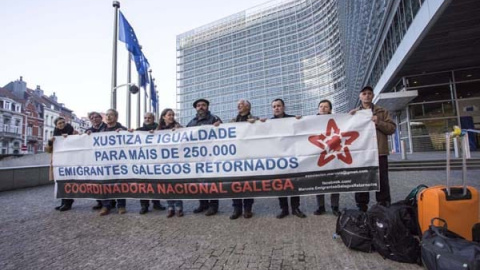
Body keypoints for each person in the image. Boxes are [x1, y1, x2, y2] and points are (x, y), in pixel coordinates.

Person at [349, 86, 396, 212]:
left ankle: (383, 205)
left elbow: (392, 129)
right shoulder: (354, 113)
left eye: (369, 93)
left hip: (379, 152)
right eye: (364, 94)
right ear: (360, 96)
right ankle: (361, 206)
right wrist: (348, 118)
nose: (367, 96)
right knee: (362, 179)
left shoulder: (382, 112)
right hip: (361, 153)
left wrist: (379, 122)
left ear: (373, 95)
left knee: (382, 180)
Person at [268, 98, 306, 219]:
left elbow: (304, 130)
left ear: (284, 107)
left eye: (278, 106)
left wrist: (301, 121)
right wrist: (260, 123)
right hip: (278, 158)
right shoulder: (268, 122)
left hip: (292, 156)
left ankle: (295, 208)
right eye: (274, 106)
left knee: (294, 183)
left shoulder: (293, 119)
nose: (276, 108)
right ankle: (284, 209)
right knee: (281, 184)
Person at [187, 98, 222, 216]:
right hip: (197, 157)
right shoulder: (191, 122)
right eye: (198, 105)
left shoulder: (214, 119)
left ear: (207, 107)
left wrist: (219, 126)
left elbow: (224, 134)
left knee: (211, 181)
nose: (201, 107)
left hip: (211, 156)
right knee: (199, 181)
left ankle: (213, 206)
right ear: (196, 108)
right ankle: (203, 204)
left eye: (203, 105)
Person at [229, 99, 257, 220]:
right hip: (235, 157)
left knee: (248, 184)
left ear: (248, 107)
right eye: (238, 104)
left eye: (242, 104)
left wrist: (256, 123)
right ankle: (237, 208)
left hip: (249, 156)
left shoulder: (255, 119)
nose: (239, 106)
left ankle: (247, 209)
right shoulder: (232, 121)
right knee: (235, 183)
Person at [97, 109, 128, 216]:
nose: (108, 117)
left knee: (120, 183)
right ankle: (106, 206)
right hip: (105, 162)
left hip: (119, 162)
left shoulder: (122, 129)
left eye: (111, 115)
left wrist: (127, 133)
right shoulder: (101, 130)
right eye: (107, 115)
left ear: (116, 117)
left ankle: (121, 205)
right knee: (105, 184)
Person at [135, 112, 167, 214]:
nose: (147, 119)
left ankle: (156, 203)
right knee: (143, 184)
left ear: (153, 119)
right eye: (145, 118)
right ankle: (144, 205)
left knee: (156, 183)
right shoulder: (139, 131)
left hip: (156, 161)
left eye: (149, 118)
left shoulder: (160, 129)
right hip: (143, 162)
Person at [313, 100, 340, 216]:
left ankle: (335, 207)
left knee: (335, 181)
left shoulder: (338, 120)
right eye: (321, 106)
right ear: (318, 108)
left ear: (330, 109)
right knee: (319, 181)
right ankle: (321, 207)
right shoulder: (312, 121)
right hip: (318, 154)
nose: (323, 108)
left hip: (334, 155)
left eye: (326, 107)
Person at [156, 108, 184, 218]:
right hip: (164, 162)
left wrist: (180, 131)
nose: (171, 116)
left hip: (176, 161)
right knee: (167, 186)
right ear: (163, 117)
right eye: (169, 115)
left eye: (173, 115)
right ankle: (170, 207)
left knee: (176, 185)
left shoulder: (178, 127)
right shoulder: (158, 129)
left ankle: (179, 208)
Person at [50, 117, 78, 211]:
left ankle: (68, 202)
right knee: (61, 182)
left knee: (68, 182)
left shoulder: (72, 131)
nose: (62, 124)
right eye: (59, 123)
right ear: (56, 126)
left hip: (70, 161)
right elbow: (49, 150)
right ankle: (63, 202)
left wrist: (72, 137)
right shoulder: (55, 135)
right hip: (60, 162)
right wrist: (51, 142)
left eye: (63, 122)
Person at [86, 111, 107, 211]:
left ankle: (108, 203)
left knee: (106, 182)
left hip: (106, 159)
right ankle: (100, 202)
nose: (94, 119)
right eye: (92, 118)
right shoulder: (88, 131)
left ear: (101, 118)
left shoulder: (108, 128)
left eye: (96, 117)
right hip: (94, 160)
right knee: (96, 183)